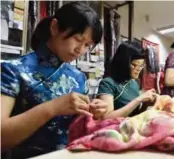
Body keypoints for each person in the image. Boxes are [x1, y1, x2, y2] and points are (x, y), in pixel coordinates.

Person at [1, 2, 108, 158]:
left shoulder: (78, 77)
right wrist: (52, 108)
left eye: (87, 45)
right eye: (78, 39)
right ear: (55, 27)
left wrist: (94, 114)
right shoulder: (13, 70)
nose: (81, 50)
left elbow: (80, 130)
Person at [97, 41, 156, 118]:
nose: (138, 69)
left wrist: (145, 104)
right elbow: (107, 117)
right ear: (122, 63)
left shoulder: (133, 83)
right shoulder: (107, 84)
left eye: (141, 65)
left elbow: (135, 115)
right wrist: (139, 99)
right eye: (134, 65)